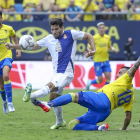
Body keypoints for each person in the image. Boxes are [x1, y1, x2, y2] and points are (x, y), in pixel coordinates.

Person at [5, 18, 96, 129]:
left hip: (67, 74)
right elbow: (32, 46)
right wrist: (13, 46)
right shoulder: (49, 38)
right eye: (52, 29)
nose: (54, 32)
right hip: (56, 74)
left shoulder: (71, 34)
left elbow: (89, 36)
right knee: (53, 100)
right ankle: (60, 122)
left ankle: (31, 96)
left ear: (62, 28)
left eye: (56, 29)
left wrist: (93, 50)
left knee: (50, 86)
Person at [27, 60, 138, 131]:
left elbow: (133, 68)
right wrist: (123, 129)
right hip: (104, 112)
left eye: (120, 72)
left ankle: (49, 104)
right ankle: (99, 128)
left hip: (102, 99)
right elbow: (128, 116)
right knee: (72, 124)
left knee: (72, 96)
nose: (118, 74)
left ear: (127, 74)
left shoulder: (126, 79)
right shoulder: (131, 95)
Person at [86, 22, 118, 90]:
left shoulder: (107, 37)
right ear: (98, 29)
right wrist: (90, 51)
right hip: (97, 61)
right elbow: (88, 47)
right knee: (100, 80)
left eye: (103, 27)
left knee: (108, 77)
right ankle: (90, 82)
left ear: (105, 29)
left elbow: (109, 46)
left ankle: (105, 91)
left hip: (106, 60)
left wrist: (113, 49)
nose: (101, 29)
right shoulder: (94, 37)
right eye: (100, 28)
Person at [0, 11, 21, 114]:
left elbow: (14, 36)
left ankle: (10, 103)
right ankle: (4, 102)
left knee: (5, 75)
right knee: (1, 86)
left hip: (6, 56)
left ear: (1, 18)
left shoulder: (8, 28)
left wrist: (17, 48)